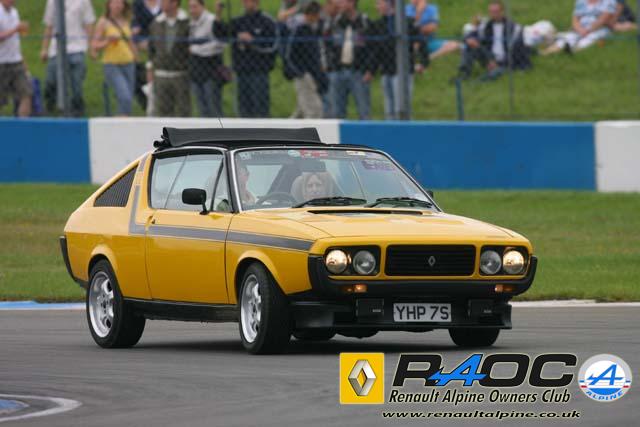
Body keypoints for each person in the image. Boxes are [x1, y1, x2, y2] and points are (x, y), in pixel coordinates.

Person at [214, 0, 277, 118]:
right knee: (243, 110)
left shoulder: (267, 21)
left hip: (259, 72)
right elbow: (220, 35)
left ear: (256, 2)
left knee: (261, 109)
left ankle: (263, 128)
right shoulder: (237, 21)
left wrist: (253, 41)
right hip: (241, 71)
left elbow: (273, 47)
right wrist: (218, 13)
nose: (245, 3)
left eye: (248, 1)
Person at [369, 0, 428, 120]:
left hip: (403, 72)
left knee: (401, 108)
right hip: (386, 71)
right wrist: (372, 70)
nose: (377, 6)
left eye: (379, 3)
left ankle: (404, 128)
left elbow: (421, 42)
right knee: (388, 109)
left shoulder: (407, 22)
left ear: (389, 4)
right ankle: (391, 129)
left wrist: (423, 62)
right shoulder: (378, 24)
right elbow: (376, 50)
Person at [41, 0, 96, 116]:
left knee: (76, 84)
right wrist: (44, 48)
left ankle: (77, 109)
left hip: (77, 48)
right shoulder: (52, 2)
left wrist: (91, 47)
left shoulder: (83, 1)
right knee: (51, 81)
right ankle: (50, 105)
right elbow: (49, 26)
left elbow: (89, 25)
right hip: (56, 49)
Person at [457, 0, 530, 81]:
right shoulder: (485, 26)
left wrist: (499, 64)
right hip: (489, 57)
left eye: (496, 12)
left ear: (503, 12)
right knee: (469, 46)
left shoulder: (515, 28)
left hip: (506, 61)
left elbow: (517, 52)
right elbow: (469, 35)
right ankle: (463, 74)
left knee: (494, 74)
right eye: (491, 12)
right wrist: (470, 40)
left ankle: (476, 83)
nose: (493, 14)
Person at [325, 0, 373, 120]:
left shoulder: (364, 22)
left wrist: (369, 69)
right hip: (337, 71)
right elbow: (327, 45)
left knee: (364, 111)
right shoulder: (335, 22)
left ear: (352, 3)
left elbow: (373, 48)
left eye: (343, 2)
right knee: (336, 112)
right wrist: (330, 66)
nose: (339, 4)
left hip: (358, 72)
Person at [91, 0, 138, 116]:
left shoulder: (126, 20)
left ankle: (123, 121)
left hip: (129, 63)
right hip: (112, 64)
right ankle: (120, 122)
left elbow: (130, 41)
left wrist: (135, 56)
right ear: (109, 4)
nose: (117, 5)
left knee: (128, 99)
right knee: (124, 96)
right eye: (115, 2)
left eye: (120, 3)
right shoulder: (103, 22)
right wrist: (108, 41)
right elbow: (95, 45)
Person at [148, 0, 191, 117]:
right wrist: (150, 67)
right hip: (161, 74)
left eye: (165, 1)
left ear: (174, 3)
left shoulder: (187, 22)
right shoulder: (156, 23)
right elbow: (151, 49)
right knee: (163, 111)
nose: (161, 4)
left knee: (183, 111)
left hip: (181, 74)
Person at [284, 1, 327, 118]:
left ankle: (288, 127)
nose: (318, 18)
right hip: (303, 75)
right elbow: (289, 55)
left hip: (313, 75)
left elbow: (316, 56)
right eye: (316, 15)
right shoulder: (299, 31)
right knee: (314, 110)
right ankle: (313, 129)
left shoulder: (315, 30)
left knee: (302, 110)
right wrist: (301, 73)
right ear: (309, 15)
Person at [188, 0, 226, 117]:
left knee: (214, 108)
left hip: (211, 71)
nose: (192, 10)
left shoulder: (211, 20)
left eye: (195, 7)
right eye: (190, 7)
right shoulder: (191, 23)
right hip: (196, 71)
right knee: (202, 109)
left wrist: (195, 49)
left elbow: (219, 44)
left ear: (202, 6)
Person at [542, 0, 616, 55]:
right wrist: (579, 29)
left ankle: (573, 50)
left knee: (589, 39)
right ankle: (545, 53)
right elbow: (575, 19)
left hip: (600, 29)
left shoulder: (609, 1)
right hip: (581, 28)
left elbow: (603, 19)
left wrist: (588, 30)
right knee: (568, 38)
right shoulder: (581, 1)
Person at [0, 0, 31, 117]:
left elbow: (15, 41)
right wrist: (15, 30)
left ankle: (23, 124)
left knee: (26, 93)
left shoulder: (14, 12)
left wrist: (23, 61)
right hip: (1, 62)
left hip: (16, 61)